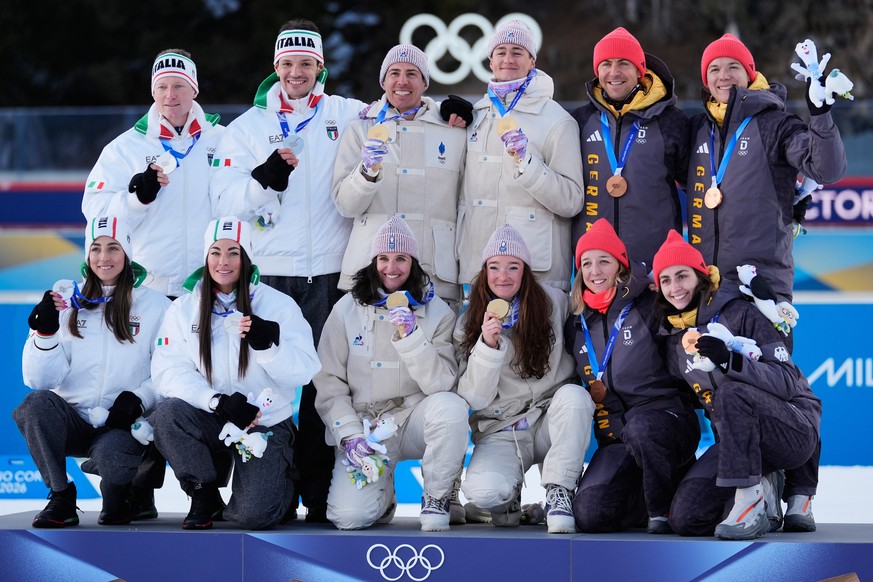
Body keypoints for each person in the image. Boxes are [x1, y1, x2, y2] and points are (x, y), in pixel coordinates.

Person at [210, 19, 366, 522]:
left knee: (325, 387)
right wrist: (262, 181)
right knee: (265, 382)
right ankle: (266, 487)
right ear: (275, 67)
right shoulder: (247, 128)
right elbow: (223, 197)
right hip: (270, 275)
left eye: (306, 63)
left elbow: (403, 115)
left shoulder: (348, 114)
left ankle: (319, 494)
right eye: (288, 63)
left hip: (330, 273)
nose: (296, 72)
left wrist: (449, 113)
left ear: (320, 67)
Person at [149, 216, 320, 530]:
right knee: (166, 414)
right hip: (212, 415)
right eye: (215, 252)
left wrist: (269, 348)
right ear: (205, 257)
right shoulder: (184, 308)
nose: (223, 261)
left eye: (233, 252)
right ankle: (203, 493)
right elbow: (167, 371)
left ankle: (283, 484)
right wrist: (215, 401)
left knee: (253, 517)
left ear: (247, 258)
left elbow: (306, 371)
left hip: (262, 422)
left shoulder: (279, 305)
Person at [652, 230, 821, 540]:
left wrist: (732, 362)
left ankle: (753, 499)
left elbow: (786, 380)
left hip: (790, 433)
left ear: (700, 276)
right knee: (686, 519)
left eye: (682, 276)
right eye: (666, 280)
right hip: (736, 446)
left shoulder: (739, 312)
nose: (675, 287)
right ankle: (765, 489)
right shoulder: (672, 340)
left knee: (731, 390)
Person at [314, 215, 468, 531]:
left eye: (401, 258)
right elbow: (329, 381)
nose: (391, 267)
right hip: (367, 427)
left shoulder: (437, 311)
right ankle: (383, 497)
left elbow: (441, 384)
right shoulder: (346, 308)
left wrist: (412, 337)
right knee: (349, 517)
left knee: (451, 408)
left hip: (412, 418)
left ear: (413, 262)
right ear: (373, 262)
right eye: (383, 258)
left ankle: (437, 496)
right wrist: (350, 434)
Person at [16, 215, 171, 527]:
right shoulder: (65, 304)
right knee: (33, 406)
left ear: (127, 254)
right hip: (74, 419)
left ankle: (121, 491)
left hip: (121, 424)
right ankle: (61, 496)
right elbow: (39, 381)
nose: (104, 257)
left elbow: (170, 370)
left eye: (113, 248)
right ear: (87, 256)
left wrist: (139, 399)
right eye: (97, 248)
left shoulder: (156, 306)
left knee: (114, 514)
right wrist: (45, 334)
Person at [454, 224, 594, 534]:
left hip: (548, 420)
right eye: (495, 267)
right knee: (482, 491)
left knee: (575, 399)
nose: (503, 276)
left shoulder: (555, 303)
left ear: (525, 271)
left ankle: (559, 490)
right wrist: (487, 347)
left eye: (512, 267)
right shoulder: (468, 321)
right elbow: (474, 398)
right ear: (484, 271)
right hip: (502, 428)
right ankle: (509, 500)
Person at [687, 33, 846, 305]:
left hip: (760, 287)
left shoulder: (776, 125)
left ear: (750, 74)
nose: (723, 75)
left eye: (733, 67)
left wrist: (819, 114)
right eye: (714, 69)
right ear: (706, 80)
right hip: (702, 288)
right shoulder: (696, 130)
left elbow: (826, 169)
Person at [568, 219, 699, 534]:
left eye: (604, 261)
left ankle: (663, 507)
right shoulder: (575, 320)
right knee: (589, 515)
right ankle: (655, 491)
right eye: (587, 263)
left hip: (666, 421)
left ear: (620, 265)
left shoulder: (648, 304)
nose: (595, 270)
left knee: (643, 429)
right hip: (616, 438)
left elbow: (684, 350)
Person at [332, 44, 470, 306]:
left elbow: (466, 201)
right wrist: (366, 172)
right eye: (394, 73)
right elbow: (345, 205)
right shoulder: (360, 129)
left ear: (425, 82)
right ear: (383, 81)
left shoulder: (453, 130)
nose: (402, 81)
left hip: (433, 271)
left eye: (412, 73)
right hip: (371, 272)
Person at [82, 49, 223, 299]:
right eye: (162, 87)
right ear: (153, 91)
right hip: (148, 290)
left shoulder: (224, 139)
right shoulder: (124, 148)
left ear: (195, 89)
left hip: (210, 287)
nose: (170, 95)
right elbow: (96, 214)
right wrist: (136, 200)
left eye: (179, 85)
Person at [456, 20, 584, 291]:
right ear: (490, 61)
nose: (508, 58)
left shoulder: (558, 121)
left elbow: (571, 201)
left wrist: (527, 165)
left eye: (517, 51)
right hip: (477, 272)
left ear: (532, 61)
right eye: (501, 52)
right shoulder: (475, 116)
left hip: (536, 275)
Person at [570, 28, 689, 269]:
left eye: (623, 63)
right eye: (606, 64)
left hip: (654, 266)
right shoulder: (578, 121)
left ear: (639, 70)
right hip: (594, 268)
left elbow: (701, 183)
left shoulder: (671, 121)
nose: (614, 72)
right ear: (597, 71)